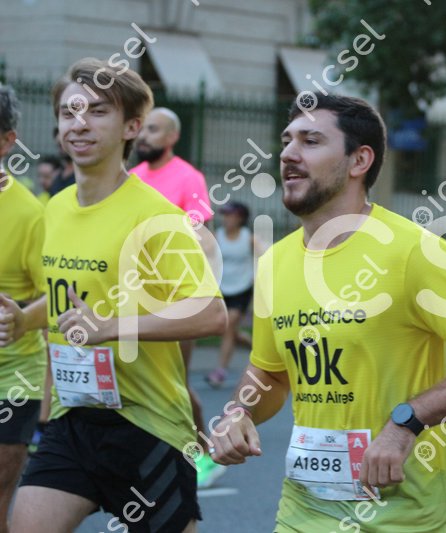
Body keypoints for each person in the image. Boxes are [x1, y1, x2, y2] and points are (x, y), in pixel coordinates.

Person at [208, 93, 446, 532]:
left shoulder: (413, 251)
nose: (288, 154)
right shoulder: (274, 263)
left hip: (402, 519)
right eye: (286, 141)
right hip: (302, 513)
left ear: (359, 160)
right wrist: (238, 412)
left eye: (310, 141)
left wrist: (407, 423)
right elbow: (270, 372)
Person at [0, 57, 226, 533]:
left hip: (147, 424)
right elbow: (68, 299)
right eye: (69, 112)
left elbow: (211, 314)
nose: (79, 123)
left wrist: (111, 328)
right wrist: (24, 320)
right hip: (73, 417)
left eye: (98, 111)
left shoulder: (157, 217)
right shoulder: (56, 208)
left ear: (131, 127)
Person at [130, 107, 222, 487]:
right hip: (132, 298)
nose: (143, 136)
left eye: (153, 130)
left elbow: (199, 234)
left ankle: (204, 453)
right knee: (138, 382)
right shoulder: (132, 178)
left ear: (172, 137)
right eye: (142, 129)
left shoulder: (188, 177)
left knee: (176, 382)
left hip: (176, 297)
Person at [0, 83, 47, 533]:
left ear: (7, 141)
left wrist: (22, 317)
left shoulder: (31, 214)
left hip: (11, 378)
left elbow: (59, 295)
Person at [206, 201, 257, 388]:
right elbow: (205, 256)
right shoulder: (217, 236)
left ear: (240, 218)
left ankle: (220, 371)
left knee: (228, 326)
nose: (226, 219)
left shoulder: (249, 238)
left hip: (242, 289)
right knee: (230, 330)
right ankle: (259, 349)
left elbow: (267, 256)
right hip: (222, 289)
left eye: (230, 215)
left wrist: (258, 277)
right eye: (225, 215)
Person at [46, 127, 75, 197]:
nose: (62, 148)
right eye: (59, 145)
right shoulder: (56, 174)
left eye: (66, 143)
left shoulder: (84, 173)